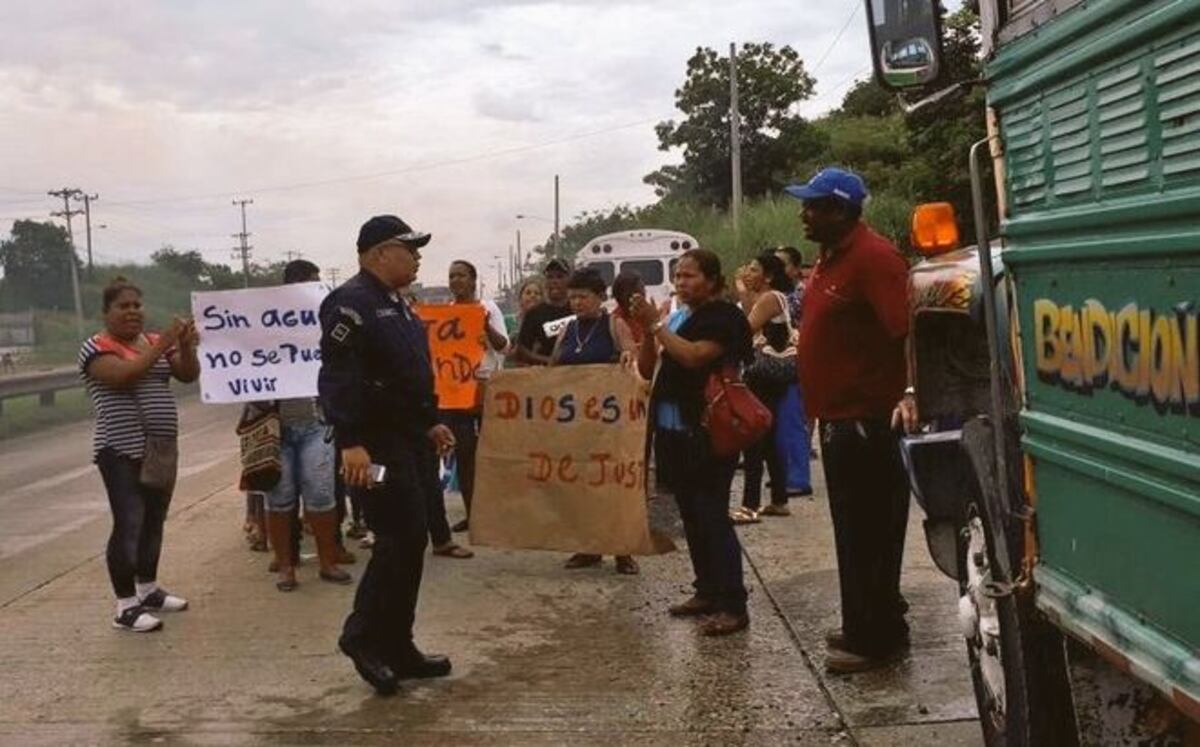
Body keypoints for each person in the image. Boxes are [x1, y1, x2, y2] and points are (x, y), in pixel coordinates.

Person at [319, 214, 456, 696]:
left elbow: (407, 375)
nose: (417, 256)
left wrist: (431, 421)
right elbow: (339, 377)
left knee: (413, 537)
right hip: (373, 446)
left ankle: (400, 645)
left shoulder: (397, 305)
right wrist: (351, 440)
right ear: (379, 253)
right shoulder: (350, 305)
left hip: (409, 439)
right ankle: (362, 637)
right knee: (396, 538)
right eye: (409, 248)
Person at [786, 167, 911, 673]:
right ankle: (866, 620)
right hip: (839, 419)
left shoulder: (874, 258)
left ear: (839, 210)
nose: (804, 213)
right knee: (853, 532)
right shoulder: (831, 258)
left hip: (867, 422)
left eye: (813, 205)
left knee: (870, 533)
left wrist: (907, 392)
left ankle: (874, 641)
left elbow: (907, 332)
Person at [630, 249, 754, 636]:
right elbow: (652, 366)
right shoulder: (680, 316)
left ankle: (733, 602)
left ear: (713, 281)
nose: (681, 283)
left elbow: (694, 357)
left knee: (712, 514)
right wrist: (648, 330)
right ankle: (707, 589)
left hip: (707, 430)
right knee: (692, 514)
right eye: (678, 276)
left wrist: (654, 326)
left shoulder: (724, 318)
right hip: (673, 430)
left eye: (690, 276)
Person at [80, 276, 199, 632]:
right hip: (120, 449)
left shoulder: (150, 342)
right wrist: (165, 342)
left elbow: (188, 375)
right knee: (129, 522)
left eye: (137, 305)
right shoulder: (97, 347)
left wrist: (187, 346)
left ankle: (148, 590)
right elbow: (123, 376)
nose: (132, 312)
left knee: (153, 521)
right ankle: (125, 605)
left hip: (160, 449)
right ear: (106, 313)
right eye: (123, 306)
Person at [252, 259, 353, 592]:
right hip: (274, 426)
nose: (317, 287)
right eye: (312, 281)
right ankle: (286, 567)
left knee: (321, 494)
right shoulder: (261, 321)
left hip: (316, 422)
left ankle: (327, 561)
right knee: (279, 498)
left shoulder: (324, 320)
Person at [550, 267, 640, 575]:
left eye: (583, 297)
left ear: (600, 297)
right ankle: (588, 547)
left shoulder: (614, 326)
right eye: (572, 298)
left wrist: (628, 358)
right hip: (575, 425)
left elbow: (632, 357)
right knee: (580, 487)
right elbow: (552, 371)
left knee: (613, 487)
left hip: (609, 426)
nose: (576, 303)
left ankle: (622, 551)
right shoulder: (566, 330)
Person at [436, 259, 508, 539]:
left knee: (492, 453)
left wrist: (486, 327)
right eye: (452, 276)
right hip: (458, 393)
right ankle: (472, 514)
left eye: (462, 275)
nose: (456, 281)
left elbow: (504, 347)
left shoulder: (488, 308)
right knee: (465, 455)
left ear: (473, 279)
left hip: (487, 386)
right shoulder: (446, 313)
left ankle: (495, 513)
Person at [734, 251, 798, 520]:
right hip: (773, 373)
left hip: (763, 373)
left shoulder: (771, 298)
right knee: (769, 436)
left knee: (754, 435)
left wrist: (739, 289)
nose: (748, 273)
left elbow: (744, 328)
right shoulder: (771, 298)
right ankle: (779, 498)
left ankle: (750, 504)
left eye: (754, 269)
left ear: (768, 276)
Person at [775, 246, 818, 464]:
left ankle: (804, 445)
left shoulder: (802, 294)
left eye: (783, 264)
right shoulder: (774, 294)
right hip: (778, 360)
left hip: (801, 356)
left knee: (803, 406)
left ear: (795, 269)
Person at [512, 258, 573, 366]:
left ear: (569, 280)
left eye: (559, 277)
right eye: (550, 277)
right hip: (545, 375)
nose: (554, 281)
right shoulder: (534, 314)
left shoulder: (577, 309)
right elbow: (522, 351)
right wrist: (549, 360)